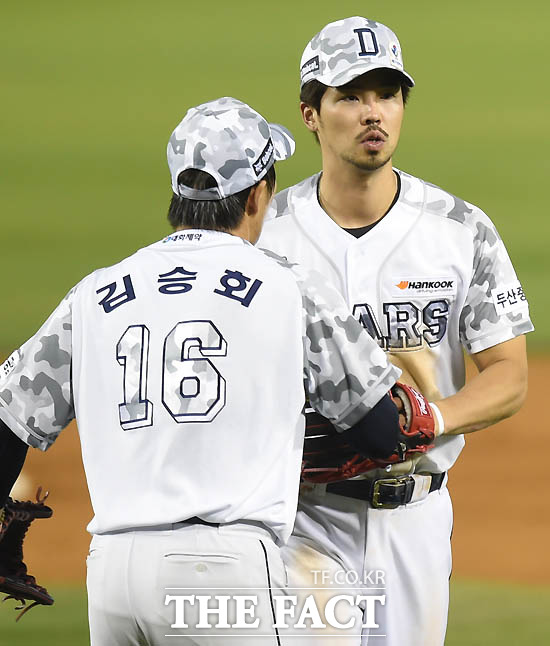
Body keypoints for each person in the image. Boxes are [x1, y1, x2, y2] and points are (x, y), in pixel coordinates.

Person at [0, 96, 406, 644]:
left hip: (114, 574)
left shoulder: (96, 291)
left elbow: (9, 416)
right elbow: (379, 431)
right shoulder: (289, 286)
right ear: (259, 194)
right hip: (221, 574)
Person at [258, 16, 534, 646]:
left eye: (386, 93)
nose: (372, 112)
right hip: (302, 518)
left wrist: (429, 422)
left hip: (417, 519)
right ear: (310, 113)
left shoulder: (459, 230)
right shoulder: (266, 235)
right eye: (350, 96)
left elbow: (511, 374)